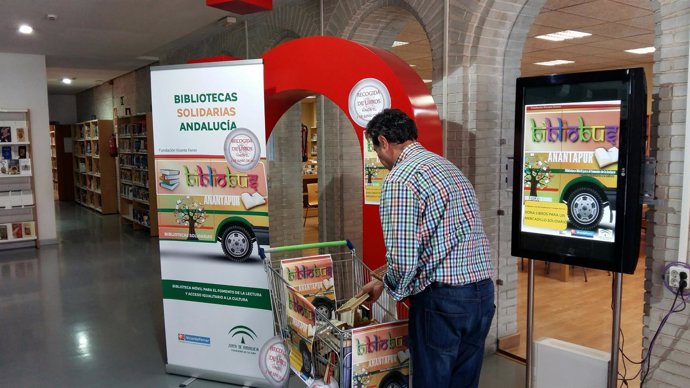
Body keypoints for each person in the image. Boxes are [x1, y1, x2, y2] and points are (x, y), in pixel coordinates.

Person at [358, 108, 494, 388]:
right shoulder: (446, 167)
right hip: (481, 294)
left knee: (431, 381)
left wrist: (389, 286)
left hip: (443, 302)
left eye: (376, 150)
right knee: (464, 381)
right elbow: (439, 240)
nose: (379, 159)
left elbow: (405, 261)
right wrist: (383, 278)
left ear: (383, 141)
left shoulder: (400, 179)